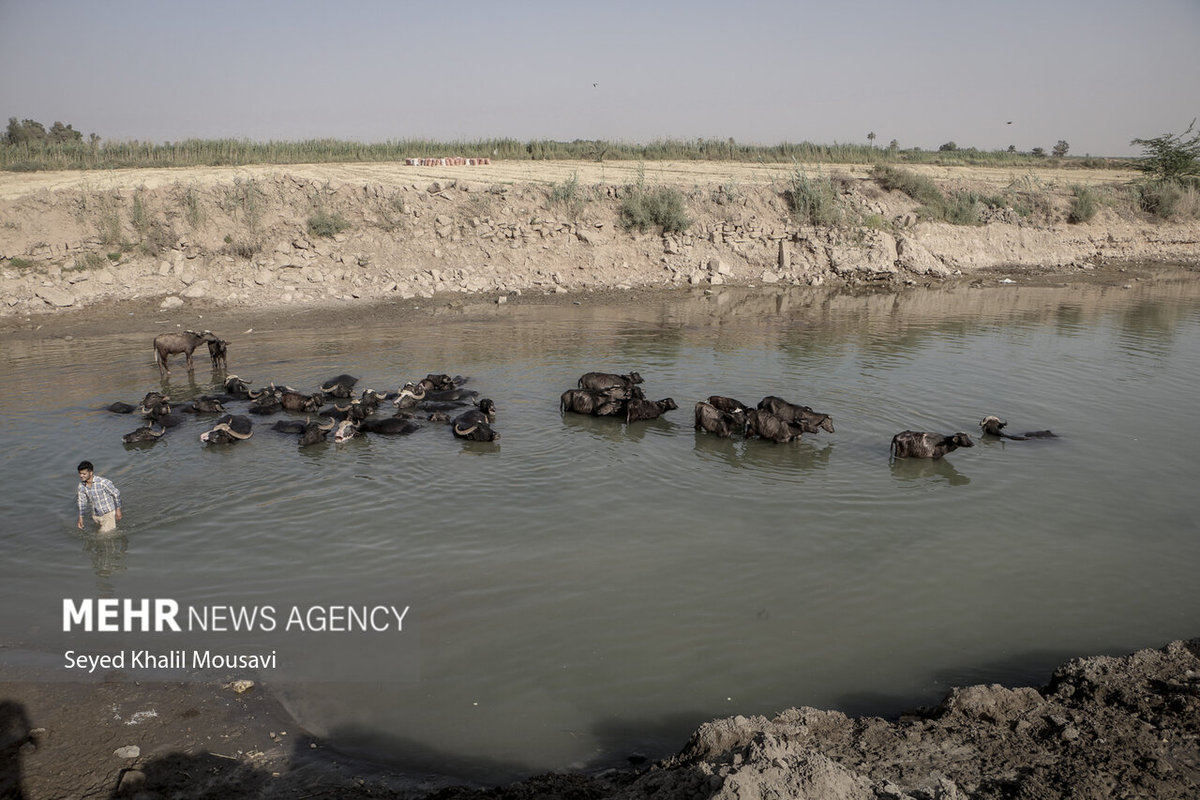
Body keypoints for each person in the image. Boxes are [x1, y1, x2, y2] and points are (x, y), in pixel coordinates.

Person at [76, 460, 122, 532]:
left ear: (91, 473)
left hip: (108, 513)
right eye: (80, 473)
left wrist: (118, 510)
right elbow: (82, 502)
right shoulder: (81, 486)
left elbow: (116, 494)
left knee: (102, 536)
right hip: (96, 515)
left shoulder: (103, 482)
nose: (81, 476)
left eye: (84, 474)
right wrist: (81, 517)